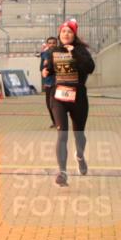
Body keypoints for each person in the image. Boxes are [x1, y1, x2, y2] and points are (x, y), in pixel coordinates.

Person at [42, 19, 95, 187]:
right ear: (59, 34)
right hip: (59, 96)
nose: (66, 34)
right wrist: (45, 71)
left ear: (74, 35)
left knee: (79, 134)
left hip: (78, 97)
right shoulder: (54, 51)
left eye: (69, 32)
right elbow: (49, 68)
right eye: (63, 31)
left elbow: (90, 68)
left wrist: (75, 54)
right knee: (62, 134)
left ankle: (79, 156)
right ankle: (62, 172)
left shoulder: (81, 50)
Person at [40, 36, 59, 128]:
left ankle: (59, 121)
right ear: (47, 44)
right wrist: (44, 66)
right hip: (48, 83)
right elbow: (41, 68)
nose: (52, 45)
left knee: (54, 104)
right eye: (50, 43)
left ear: (57, 44)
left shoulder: (60, 53)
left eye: (54, 43)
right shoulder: (44, 54)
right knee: (48, 105)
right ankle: (54, 121)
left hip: (58, 82)